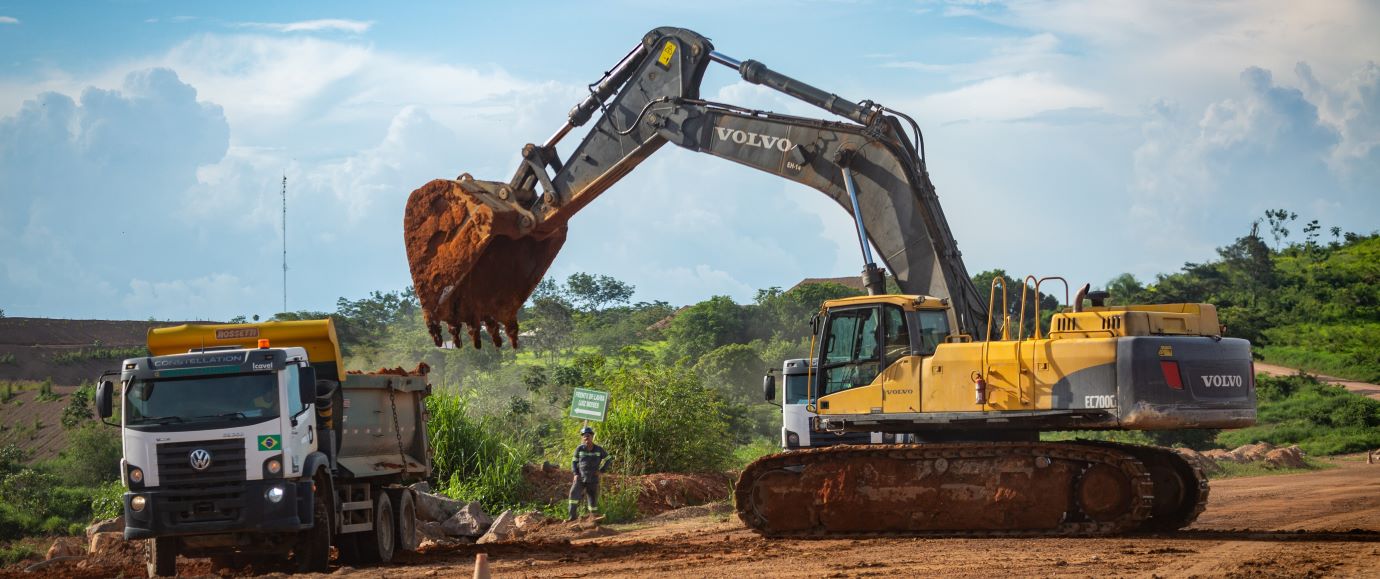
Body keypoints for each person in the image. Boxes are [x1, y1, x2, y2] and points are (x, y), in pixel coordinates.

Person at [568, 425, 612, 521]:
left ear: (592, 436)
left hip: (593, 478)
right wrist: (575, 474)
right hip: (580, 477)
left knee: (592, 499)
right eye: (584, 436)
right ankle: (572, 517)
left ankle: (593, 520)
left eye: (588, 435)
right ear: (582, 438)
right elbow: (574, 462)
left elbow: (609, 459)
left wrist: (601, 471)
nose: (586, 437)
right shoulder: (579, 449)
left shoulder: (599, 449)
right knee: (573, 494)